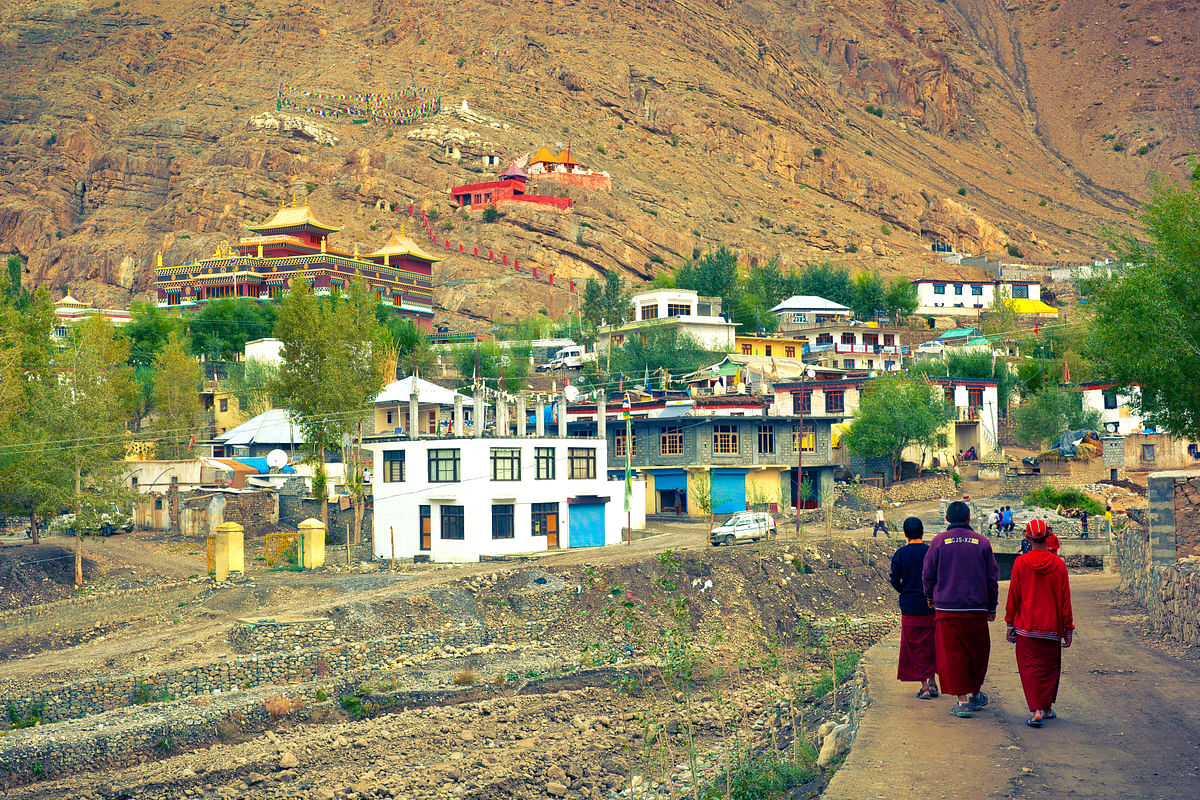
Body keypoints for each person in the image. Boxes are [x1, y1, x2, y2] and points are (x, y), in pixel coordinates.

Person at [922, 500, 999, 718]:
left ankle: (962, 700)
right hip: (976, 609)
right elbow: (991, 578)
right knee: (977, 652)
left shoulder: (938, 542)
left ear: (947, 519)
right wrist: (991, 606)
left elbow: (928, 574)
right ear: (968, 519)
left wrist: (930, 596)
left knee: (952, 654)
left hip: (947, 609)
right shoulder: (982, 542)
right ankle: (975, 692)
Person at [1006, 518, 1074, 727]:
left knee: (1029, 669)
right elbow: (1065, 599)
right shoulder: (1059, 565)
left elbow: (1014, 596)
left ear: (1027, 538)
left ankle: (1036, 710)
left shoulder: (1020, 563)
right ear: (1047, 537)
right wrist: (1068, 628)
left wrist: (1010, 623)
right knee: (1049, 668)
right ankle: (1047, 708)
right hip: (1051, 629)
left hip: (1026, 628)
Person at [891, 517, 939, 699]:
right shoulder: (930, 552)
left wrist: (905, 591)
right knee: (932, 644)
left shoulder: (901, 554)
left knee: (915, 645)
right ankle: (933, 682)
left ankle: (924, 687)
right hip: (931, 605)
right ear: (922, 532)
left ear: (905, 534)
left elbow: (894, 579)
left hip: (910, 607)